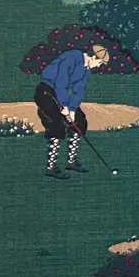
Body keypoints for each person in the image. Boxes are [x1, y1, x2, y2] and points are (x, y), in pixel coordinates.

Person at [35, 43, 110, 180]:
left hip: (59, 93)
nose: (99, 66)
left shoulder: (86, 70)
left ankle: (71, 161)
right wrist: (64, 106)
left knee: (80, 121)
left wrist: (73, 109)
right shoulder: (72, 57)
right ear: (93, 57)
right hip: (46, 91)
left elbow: (78, 90)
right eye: (99, 62)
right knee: (57, 124)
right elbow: (61, 81)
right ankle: (51, 167)